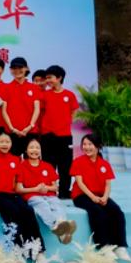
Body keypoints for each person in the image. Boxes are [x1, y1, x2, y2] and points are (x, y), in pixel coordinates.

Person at [0, 133, 45, 258]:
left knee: (28, 210)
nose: (4, 144)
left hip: (9, 194)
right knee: (12, 210)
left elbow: (16, 184)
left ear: (11, 144)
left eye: (7, 142)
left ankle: (38, 249)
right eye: (1, 141)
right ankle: (17, 248)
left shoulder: (15, 159)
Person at [71, 134, 131, 261]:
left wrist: (105, 197)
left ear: (98, 146)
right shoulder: (78, 161)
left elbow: (108, 184)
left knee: (117, 212)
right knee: (98, 212)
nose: (86, 147)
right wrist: (92, 197)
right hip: (82, 195)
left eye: (90, 144)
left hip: (100, 195)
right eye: (84, 144)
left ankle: (120, 246)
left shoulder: (104, 164)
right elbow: (80, 183)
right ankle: (104, 246)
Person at [16, 138, 76, 244]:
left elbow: (55, 187)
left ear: (41, 150)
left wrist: (47, 188)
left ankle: (62, 226)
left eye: (37, 148)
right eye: (31, 147)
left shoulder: (47, 166)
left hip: (49, 195)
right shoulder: (21, 166)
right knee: (42, 204)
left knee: (57, 204)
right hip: (32, 196)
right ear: (26, 150)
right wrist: (36, 189)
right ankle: (57, 227)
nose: (34, 150)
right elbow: (18, 189)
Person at [40, 65, 79, 199]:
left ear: (59, 78)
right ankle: (49, 190)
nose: (47, 80)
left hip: (64, 136)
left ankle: (64, 191)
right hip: (47, 135)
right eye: (46, 78)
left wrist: (65, 122)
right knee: (48, 164)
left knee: (65, 165)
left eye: (50, 77)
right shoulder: (45, 95)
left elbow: (74, 111)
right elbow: (42, 112)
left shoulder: (69, 95)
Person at [1, 57, 41, 157]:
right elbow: (4, 110)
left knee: (31, 161)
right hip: (11, 132)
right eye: (14, 68)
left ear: (26, 68)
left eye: (20, 67)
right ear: (10, 70)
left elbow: (37, 109)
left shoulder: (34, 87)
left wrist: (30, 126)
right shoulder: (6, 88)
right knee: (12, 161)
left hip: (31, 132)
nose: (17, 70)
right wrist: (12, 128)